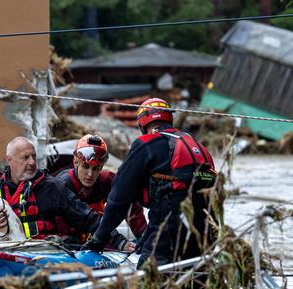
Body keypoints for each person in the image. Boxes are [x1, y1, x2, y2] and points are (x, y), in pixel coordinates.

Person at [84, 98, 217, 267]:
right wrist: (146, 236)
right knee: (194, 285)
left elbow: (119, 197)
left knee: (149, 280)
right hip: (206, 231)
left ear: (142, 123)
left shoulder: (147, 144)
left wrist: (99, 238)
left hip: (170, 229)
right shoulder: (197, 145)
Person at [0, 136, 131, 250]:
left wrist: (119, 241)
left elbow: (88, 218)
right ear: (9, 160)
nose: (32, 162)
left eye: (33, 156)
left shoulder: (53, 188)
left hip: (43, 254)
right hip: (1, 253)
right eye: (25, 157)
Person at [57, 134, 147, 242]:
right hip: (68, 242)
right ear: (76, 163)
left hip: (97, 239)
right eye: (86, 167)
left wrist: (143, 237)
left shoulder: (106, 180)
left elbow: (130, 203)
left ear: (101, 167)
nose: (90, 174)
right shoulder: (62, 184)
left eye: (96, 168)